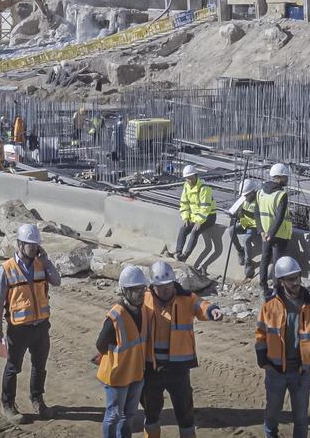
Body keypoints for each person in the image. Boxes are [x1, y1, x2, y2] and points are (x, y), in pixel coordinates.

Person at [141, 260, 224, 438]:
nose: (166, 289)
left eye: (169, 284)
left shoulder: (186, 298)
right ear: (153, 286)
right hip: (151, 367)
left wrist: (212, 311)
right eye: (161, 286)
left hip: (178, 369)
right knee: (151, 413)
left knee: (185, 414)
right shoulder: (144, 299)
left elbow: (201, 305)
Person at [0, 224, 60, 424]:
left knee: (40, 366)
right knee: (13, 367)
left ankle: (37, 399)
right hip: (19, 328)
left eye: (35, 245)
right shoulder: (6, 269)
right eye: (29, 245)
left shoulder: (41, 264)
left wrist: (47, 261)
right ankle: (8, 404)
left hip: (41, 326)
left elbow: (57, 281)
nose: (33, 249)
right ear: (19, 245)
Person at [256, 256, 310, 438]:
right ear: (281, 281)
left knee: (301, 418)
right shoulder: (269, 306)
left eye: (297, 277)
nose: (296, 282)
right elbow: (261, 334)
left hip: (301, 373)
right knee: (272, 414)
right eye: (290, 279)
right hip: (275, 371)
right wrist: (263, 360)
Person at [95, 266, 150, 438]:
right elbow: (101, 345)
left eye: (143, 289)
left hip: (136, 375)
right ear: (125, 291)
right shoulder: (115, 317)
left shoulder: (144, 311)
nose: (141, 293)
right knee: (113, 415)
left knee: (129, 415)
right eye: (136, 290)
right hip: (117, 377)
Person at [257, 163, 294, 296]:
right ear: (278, 178)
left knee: (265, 259)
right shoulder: (281, 195)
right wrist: (272, 234)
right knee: (278, 263)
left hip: (265, 233)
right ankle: (277, 290)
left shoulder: (260, 192)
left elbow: (257, 213)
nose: (287, 179)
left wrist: (262, 231)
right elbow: (279, 218)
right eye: (285, 177)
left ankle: (263, 286)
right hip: (279, 234)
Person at [174, 165, 215, 263]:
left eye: (191, 178)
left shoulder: (204, 188)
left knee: (195, 232)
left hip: (209, 216)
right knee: (183, 229)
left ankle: (185, 256)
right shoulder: (186, 186)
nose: (190, 181)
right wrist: (185, 217)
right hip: (195, 216)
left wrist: (199, 221)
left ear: (196, 176)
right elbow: (184, 203)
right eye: (187, 178)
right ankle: (178, 252)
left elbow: (205, 207)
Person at [230, 178, 263, 278]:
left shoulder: (259, 199)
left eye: (247, 194)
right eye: (244, 195)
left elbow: (259, 216)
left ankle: (248, 263)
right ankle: (240, 251)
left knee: (246, 239)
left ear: (252, 192)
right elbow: (237, 211)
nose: (246, 197)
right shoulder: (243, 198)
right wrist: (236, 214)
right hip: (245, 223)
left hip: (255, 226)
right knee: (231, 231)